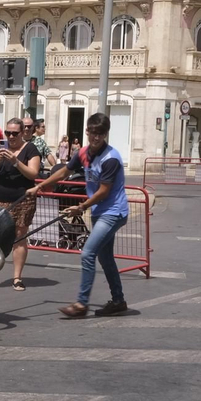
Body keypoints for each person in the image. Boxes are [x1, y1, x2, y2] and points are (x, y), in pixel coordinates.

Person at [31, 112, 131, 318]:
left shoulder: (111, 158)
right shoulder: (84, 153)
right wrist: (40, 186)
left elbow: (104, 190)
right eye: (93, 133)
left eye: (100, 134)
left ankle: (81, 304)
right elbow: (65, 171)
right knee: (106, 258)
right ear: (87, 131)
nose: (96, 138)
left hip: (113, 212)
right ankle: (119, 301)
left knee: (87, 253)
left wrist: (82, 207)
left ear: (106, 134)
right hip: (98, 211)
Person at [0, 118, 41, 292]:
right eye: (8, 133)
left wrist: (15, 161)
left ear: (22, 133)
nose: (11, 136)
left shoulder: (30, 149)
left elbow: (32, 174)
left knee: (19, 238)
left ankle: (17, 278)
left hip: (22, 200)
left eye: (15, 133)